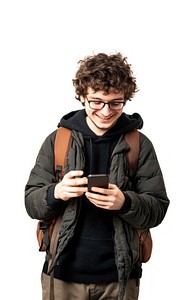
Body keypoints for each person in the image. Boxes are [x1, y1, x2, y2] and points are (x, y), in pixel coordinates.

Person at [25, 52, 170, 300]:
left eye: (116, 102)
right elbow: (32, 203)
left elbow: (157, 208)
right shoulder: (58, 140)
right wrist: (56, 193)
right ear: (82, 97)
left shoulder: (139, 144)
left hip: (121, 279)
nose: (106, 111)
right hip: (61, 276)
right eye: (96, 102)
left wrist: (125, 202)